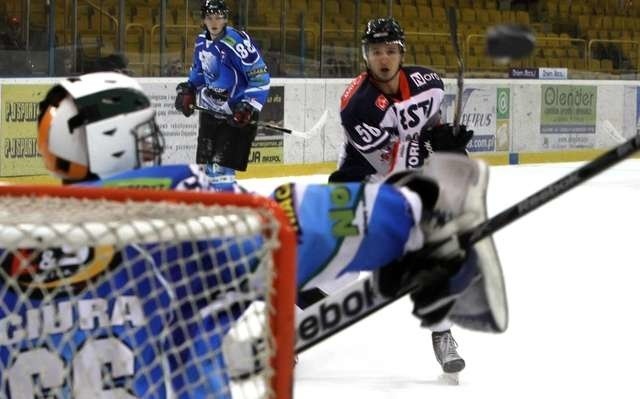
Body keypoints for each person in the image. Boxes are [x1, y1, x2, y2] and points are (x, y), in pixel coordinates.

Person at [35, 72, 508, 391]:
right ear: (113, 143)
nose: (154, 145)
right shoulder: (183, 201)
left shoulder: (18, 231)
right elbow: (294, 219)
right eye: (144, 135)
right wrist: (409, 212)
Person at [328, 17, 476, 374]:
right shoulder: (358, 105)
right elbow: (391, 160)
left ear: (401, 53)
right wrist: (431, 146)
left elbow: (431, 128)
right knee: (341, 269)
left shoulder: (428, 83)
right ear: (365, 56)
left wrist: (448, 143)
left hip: (403, 185)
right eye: (376, 51)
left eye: (391, 51)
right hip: (357, 184)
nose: (384, 58)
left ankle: (442, 333)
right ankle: (290, 328)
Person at [174, 0, 270, 192]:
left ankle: (227, 210)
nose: (214, 22)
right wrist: (190, 89)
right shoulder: (201, 41)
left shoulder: (237, 42)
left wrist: (248, 106)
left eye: (218, 17)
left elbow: (260, 78)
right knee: (204, 169)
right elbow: (200, 73)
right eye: (209, 17)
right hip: (210, 112)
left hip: (236, 114)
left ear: (225, 18)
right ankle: (208, 209)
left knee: (221, 170)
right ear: (203, 20)